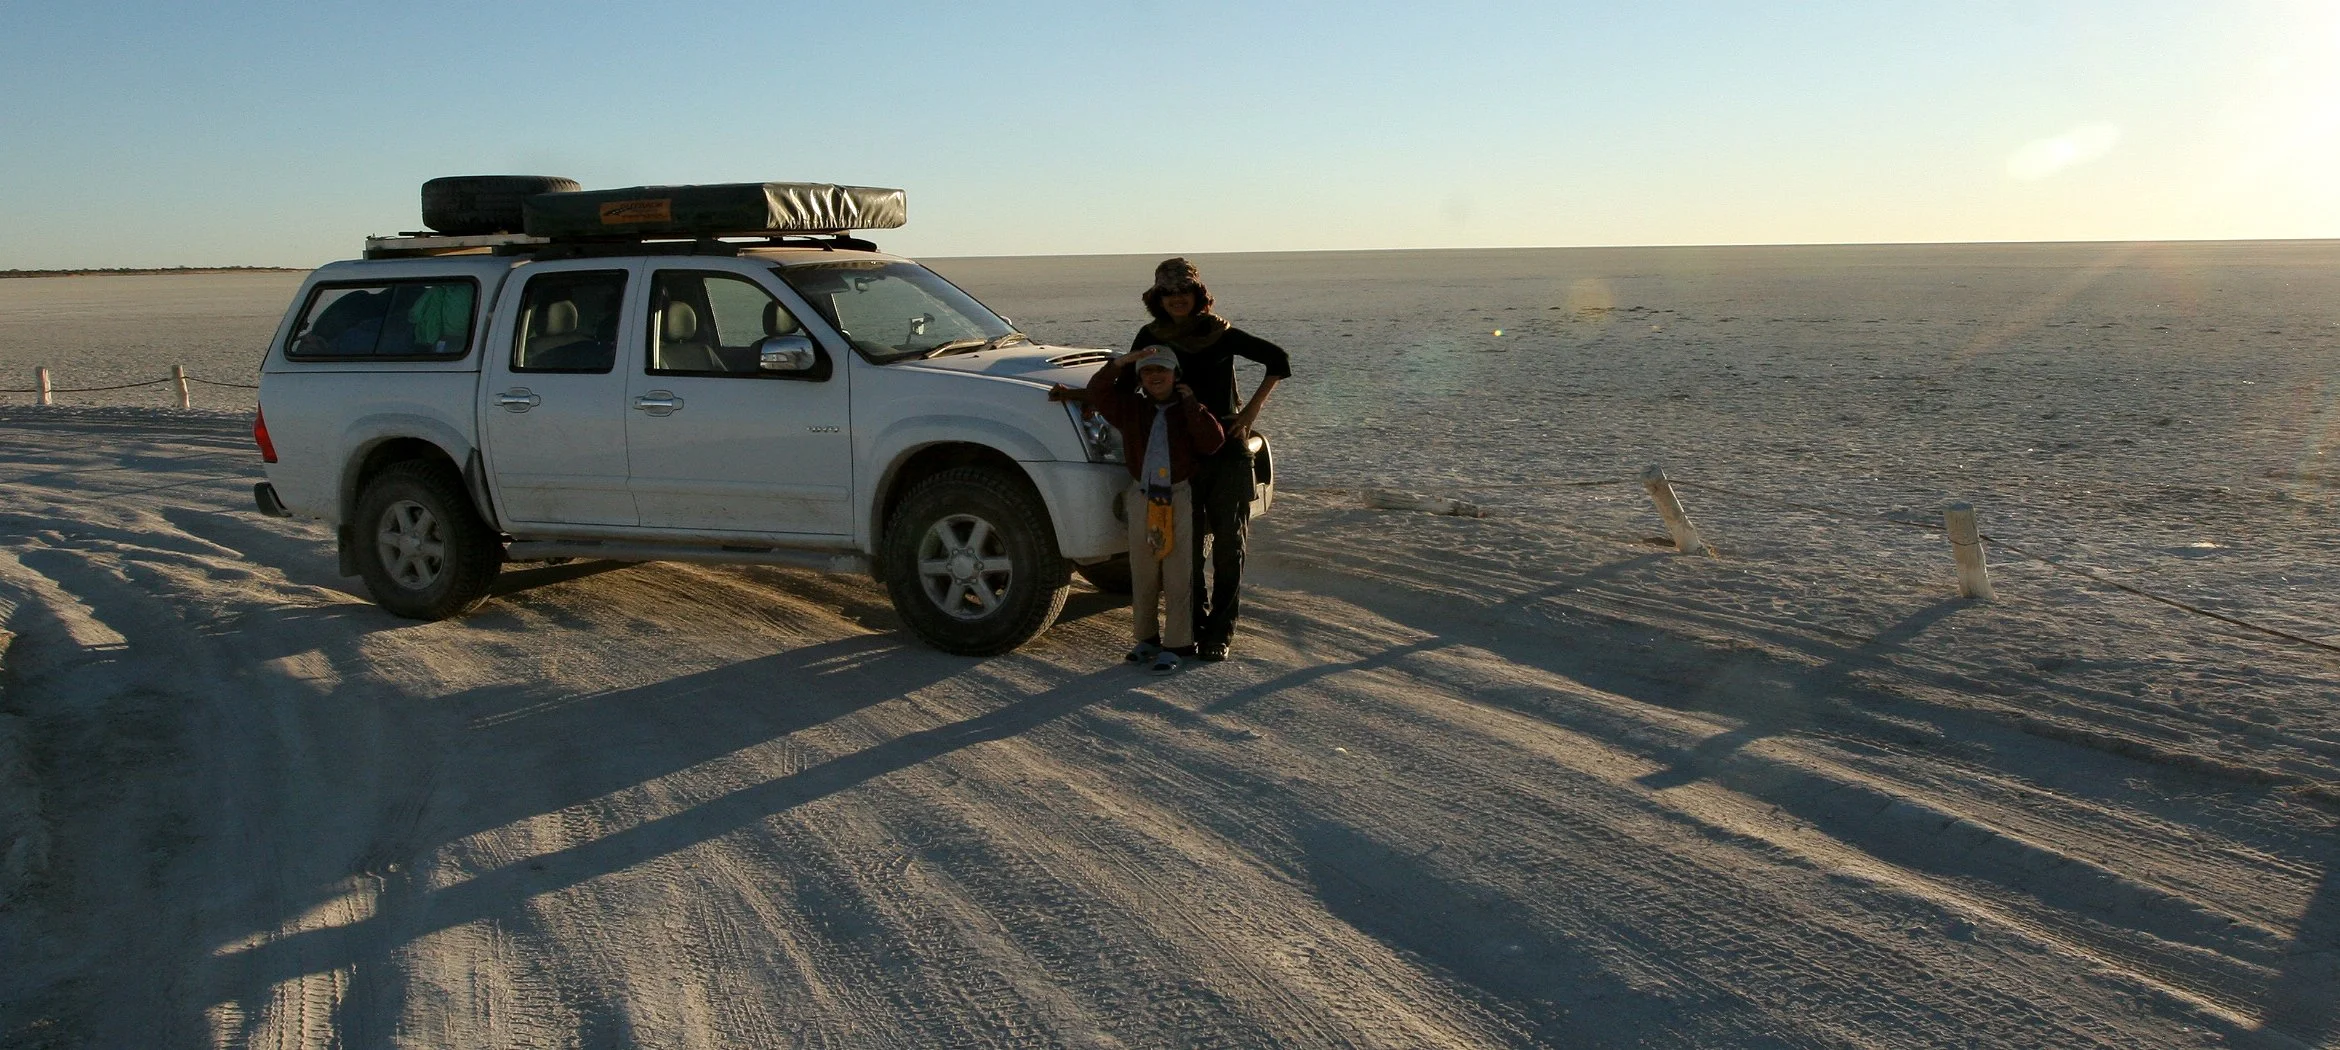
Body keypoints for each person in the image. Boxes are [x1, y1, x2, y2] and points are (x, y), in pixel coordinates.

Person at [1131, 258, 1291, 662]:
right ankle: (1193, 626)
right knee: (1185, 547)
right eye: (1167, 292)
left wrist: (1249, 416)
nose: (1176, 298)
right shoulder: (1151, 336)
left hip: (1227, 453)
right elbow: (1126, 383)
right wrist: (1076, 396)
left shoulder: (1219, 333)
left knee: (1227, 544)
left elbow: (1278, 360)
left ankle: (1220, 631)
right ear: (1157, 298)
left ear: (1197, 293)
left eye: (1183, 290)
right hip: (1181, 454)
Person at [1082, 345, 1226, 674]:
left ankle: (1178, 643)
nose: (1155, 376)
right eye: (1147, 372)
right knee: (1143, 571)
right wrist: (1124, 361)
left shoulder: (1189, 408)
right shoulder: (1131, 408)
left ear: (1176, 375)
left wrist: (1190, 404)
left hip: (1178, 496)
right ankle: (1146, 638)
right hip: (1143, 495)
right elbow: (1096, 390)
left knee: (1178, 575)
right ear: (1140, 378)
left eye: (1162, 370)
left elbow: (1212, 442)